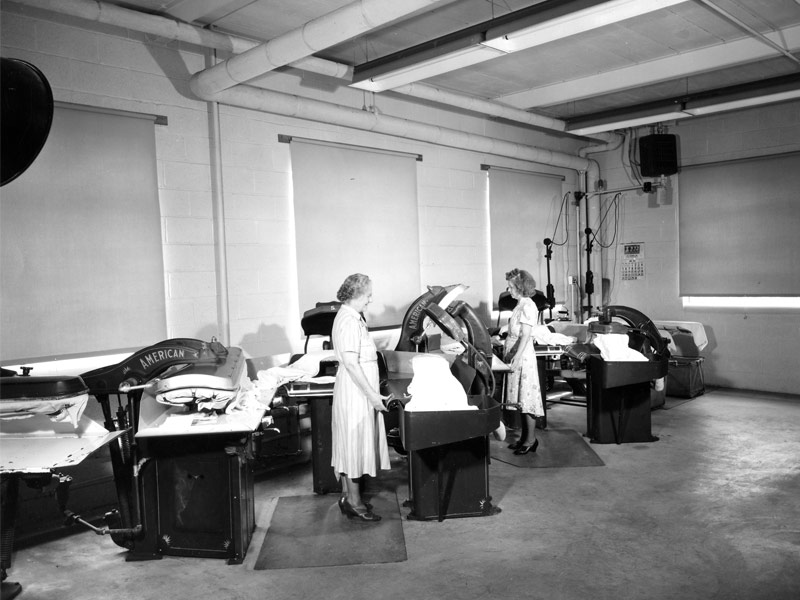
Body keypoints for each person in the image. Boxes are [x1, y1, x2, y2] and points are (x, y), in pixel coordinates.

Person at [331, 273, 391, 522]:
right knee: (354, 444)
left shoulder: (354, 317)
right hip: (356, 392)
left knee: (351, 444)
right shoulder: (348, 321)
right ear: (356, 295)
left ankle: (348, 497)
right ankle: (355, 504)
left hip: (358, 390)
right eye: (368, 295)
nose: (370, 299)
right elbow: (352, 364)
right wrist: (373, 397)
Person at [503, 268, 543, 455]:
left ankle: (530, 440)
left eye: (511, 286)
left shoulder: (528, 306)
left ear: (520, 287)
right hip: (516, 355)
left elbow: (526, 335)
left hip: (523, 357)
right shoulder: (520, 305)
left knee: (527, 399)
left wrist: (515, 358)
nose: (508, 289)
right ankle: (524, 438)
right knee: (520, 399)